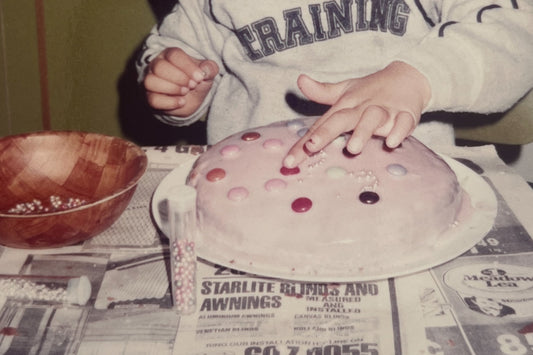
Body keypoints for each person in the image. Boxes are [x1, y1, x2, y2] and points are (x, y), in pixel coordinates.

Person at [137, 0, 533, 168]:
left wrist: (418, 79)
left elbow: (516, 33)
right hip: (255, 184)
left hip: (405, 183)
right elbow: (176, 48)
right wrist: (182, 89)